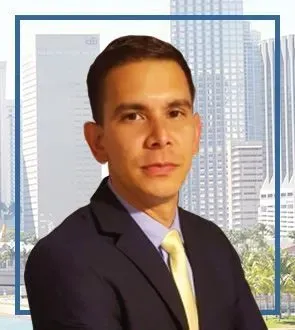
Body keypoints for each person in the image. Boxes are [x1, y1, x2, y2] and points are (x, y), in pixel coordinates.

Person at [25, 35, 267, 330]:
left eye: (175, 113)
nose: (160, 136)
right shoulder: (65, 260)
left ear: (196, 132)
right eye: (134, 116)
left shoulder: (212, 243)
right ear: (97, 142)